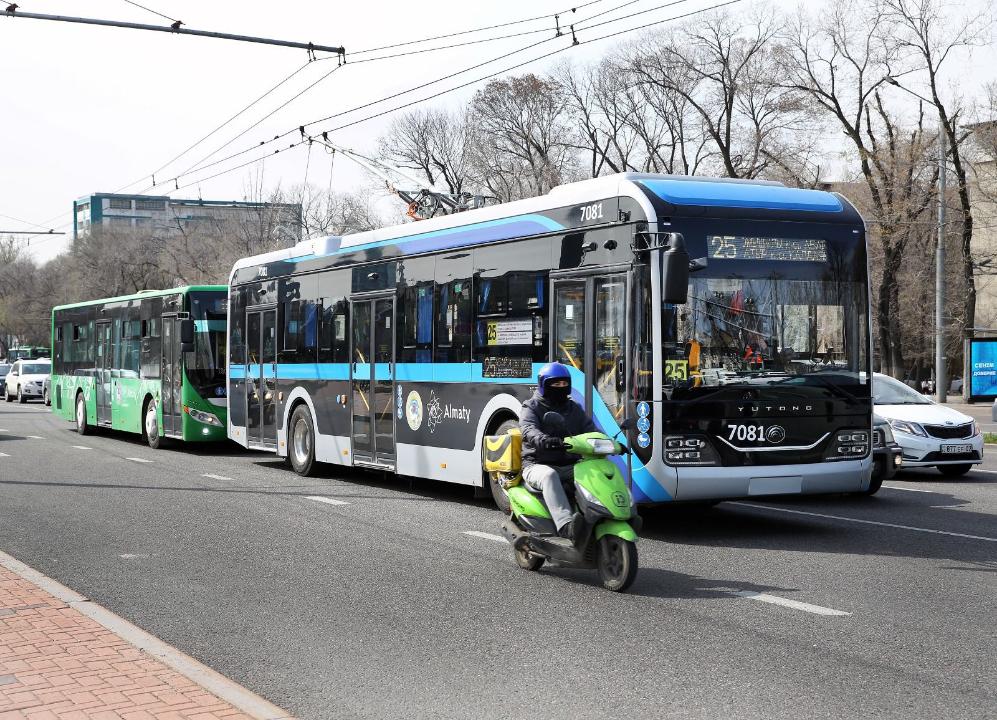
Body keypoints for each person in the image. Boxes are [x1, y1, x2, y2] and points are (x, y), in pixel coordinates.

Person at [518, 361, 597, 542]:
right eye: (555, 384)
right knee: (549, 476)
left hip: (569, 463)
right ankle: (566, 527)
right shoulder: (531, 407)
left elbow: (590, 430)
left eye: (564, 384)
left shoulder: (573, 408)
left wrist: (609, 442)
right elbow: (528, 429)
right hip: (537, 464)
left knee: (597, 469)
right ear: (544, 385)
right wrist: (543, 440)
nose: (561, 387)